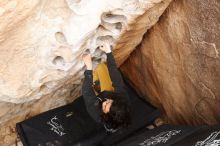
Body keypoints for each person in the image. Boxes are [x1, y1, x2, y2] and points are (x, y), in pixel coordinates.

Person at [82, 42, 131, 133]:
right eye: (108, 102)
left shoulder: (96, 114)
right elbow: (115, 75)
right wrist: (108, 52)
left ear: (104, 114)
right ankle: (95, 82)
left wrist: (88, 68)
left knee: (89, 86)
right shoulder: (122, 99)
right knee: (100, 67)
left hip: (98, 102)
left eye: (105, 106)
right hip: (110, 94)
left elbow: (87, 92)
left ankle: (94, 84)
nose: (105, 101)